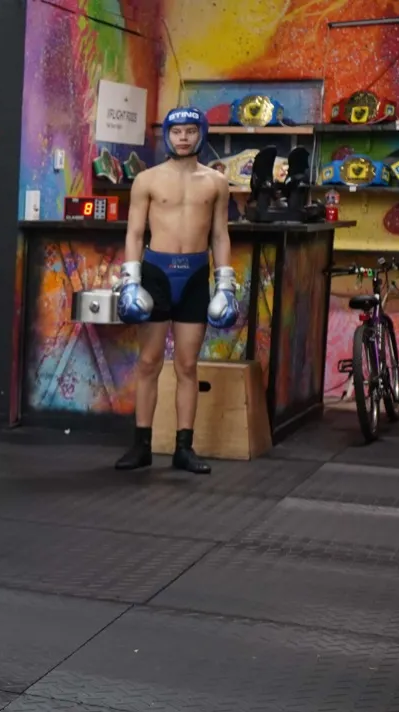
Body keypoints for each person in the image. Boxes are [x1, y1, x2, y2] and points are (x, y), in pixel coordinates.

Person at [113, 106, 238, 475]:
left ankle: (185, 447)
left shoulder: (215, 183)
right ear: (167, 135)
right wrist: (131, 280)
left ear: (201, 134)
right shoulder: (147, 180)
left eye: (190, 131)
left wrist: (225, 284)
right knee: (149, 362)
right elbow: (135, 233)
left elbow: (220, 235)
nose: (183, 137)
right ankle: (142, 445)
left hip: (196, 275)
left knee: (187, 364)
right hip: (155, 274)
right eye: (177, 131)